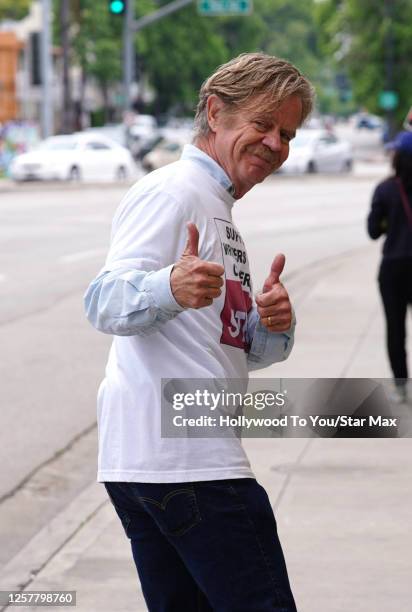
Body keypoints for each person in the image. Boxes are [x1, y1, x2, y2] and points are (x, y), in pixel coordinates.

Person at [84, 52, 314, 611]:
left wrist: (271, 327)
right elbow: (103, 301)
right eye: (262, 124)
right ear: (216, 113)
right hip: (190, 466)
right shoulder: (174, 191)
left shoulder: (216, 208)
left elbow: (213, 343)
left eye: (286, 133)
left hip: (162, 464)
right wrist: (168, 286)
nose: (275, 145)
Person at [367, 131, 412, 404]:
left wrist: (387, 223)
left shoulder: (385, 190)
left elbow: (373, 231)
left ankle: (400, 385)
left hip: (393, 269)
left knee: (395, 329)